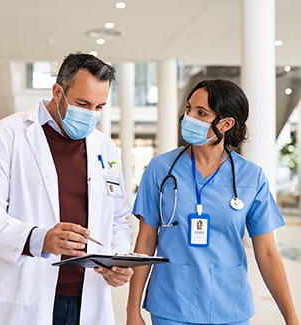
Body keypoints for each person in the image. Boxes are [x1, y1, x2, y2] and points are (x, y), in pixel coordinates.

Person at [0, 53, 133, 325]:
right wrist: (39, 239)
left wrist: (117, 259)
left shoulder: (105, 147)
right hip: (29, 296)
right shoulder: (6, 135)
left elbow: (118, 219)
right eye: (82, 103)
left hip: (89, 297)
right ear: (58, 92)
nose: (91, 114)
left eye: (99, 107)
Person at [126, 79, 299, 325]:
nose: (189, 117)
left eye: (201, 112)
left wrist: (291, 318)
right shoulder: (161, 169)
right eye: (189, 109)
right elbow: (145, 239)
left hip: (229, 305)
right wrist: (132, 310)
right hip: (171, 303)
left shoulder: (251, 176)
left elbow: (268, 252)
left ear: (226, 123)